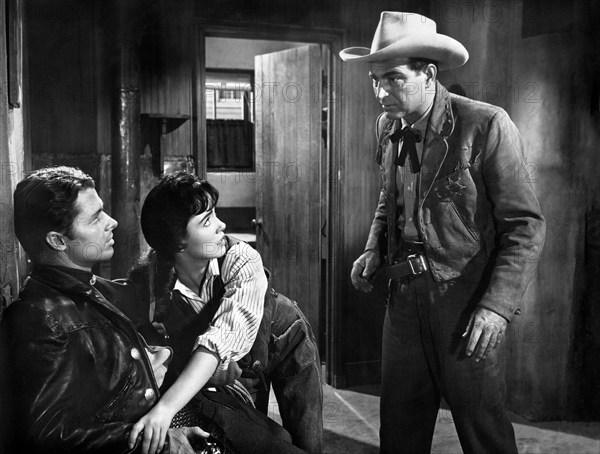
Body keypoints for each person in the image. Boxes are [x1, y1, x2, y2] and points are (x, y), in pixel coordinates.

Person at [340, 12, 546, 454]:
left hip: (464, 300)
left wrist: (495, 307)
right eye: (375, 81)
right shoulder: (388, 127)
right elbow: (389, 198)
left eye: (393, 79)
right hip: (403, 299)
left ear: (429, 74)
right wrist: (374, 249)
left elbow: (524, 225)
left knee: (483, 432)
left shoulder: (484, 125)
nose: (381, 92)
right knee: (400, 430)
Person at [0, 166, 304, 454]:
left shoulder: (89, 289)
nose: (112, 221)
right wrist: (154, 441)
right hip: (163, 422)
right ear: (57, 240)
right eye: (94, 219)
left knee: (282, 438)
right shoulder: (39, 316)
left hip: (189, 399)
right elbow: (43, 434)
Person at [120, 172, 322, 454]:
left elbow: (225, 333)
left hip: (284, 338)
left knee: (307, 434)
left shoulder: (241, 258)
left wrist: (166, 408)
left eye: (214, 214)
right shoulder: (152, 284)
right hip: (233, 365)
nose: (222, 225)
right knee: (260, 433)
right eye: (206, 221)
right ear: (177, 241)